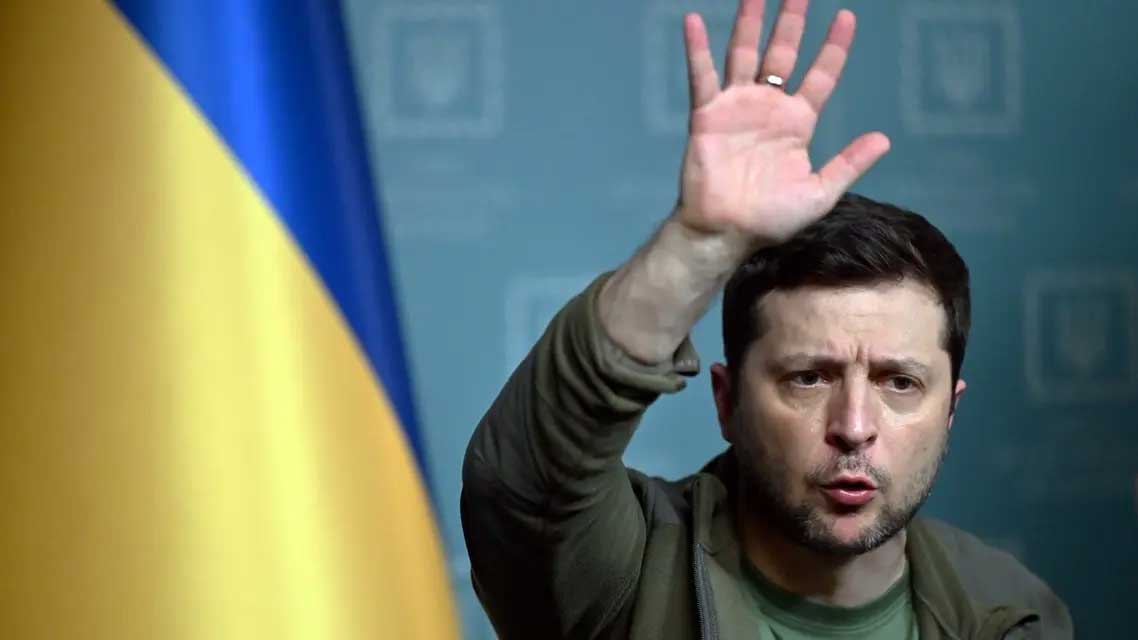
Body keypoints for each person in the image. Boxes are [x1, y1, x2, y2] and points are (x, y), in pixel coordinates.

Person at [460, 0, 1073, 637]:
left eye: (900, 382)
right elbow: (522, 484)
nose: (854, 428)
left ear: (950, 412)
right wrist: (698, 244)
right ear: (727, 402)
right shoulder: (625, 571)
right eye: (808, 377)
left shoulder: (1011, 611)